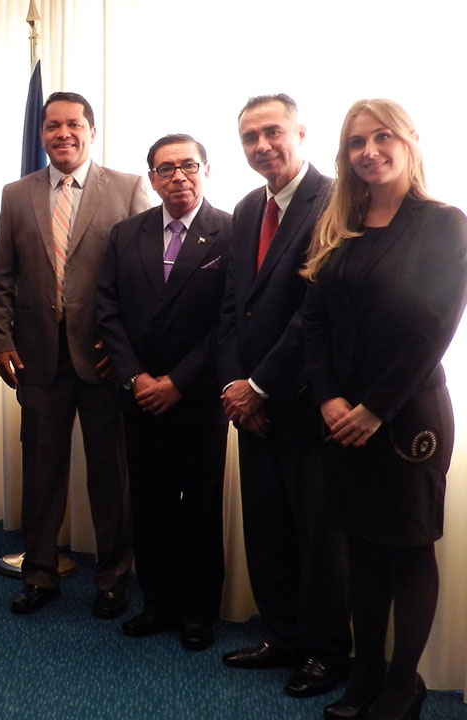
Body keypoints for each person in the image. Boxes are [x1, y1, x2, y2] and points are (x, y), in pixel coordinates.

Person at [301, 99, 467, 720]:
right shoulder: (341, 222)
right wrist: (329, 399)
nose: (368, 151)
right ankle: (365, 672)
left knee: (408, 548)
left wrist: (374, 407)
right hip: (340, 417)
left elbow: (434, 327)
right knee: (361, 549)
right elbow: (314, 321)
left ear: (409, 140)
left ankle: (404, 683)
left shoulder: (443, 223)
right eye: (355, 143)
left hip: (407, 418)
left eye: (381, 137)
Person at [0, 91, 150, 617]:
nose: (63, 133)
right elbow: (2, 279)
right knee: (40, 472)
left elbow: (144, 281)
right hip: (38, 360)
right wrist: (3, 341)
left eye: (73, 124)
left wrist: (126, 354)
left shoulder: (126, 189)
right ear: (41, 135)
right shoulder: (17, 194)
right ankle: (39, 574)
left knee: (112, 474)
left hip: (104, 360)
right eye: (53, 125)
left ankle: (112, 578)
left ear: (91, 130)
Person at [217, 94, 350, 697]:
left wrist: (261, 385)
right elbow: (231, 309)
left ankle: (326, 654)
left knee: (317, 534)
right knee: (266, 525)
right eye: (249, 137)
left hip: (303, 400)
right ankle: (283, 637)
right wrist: (233, 386)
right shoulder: (247, 209)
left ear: (301, 132)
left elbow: (313, 312)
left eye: (272, 132)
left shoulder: (333, 200)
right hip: (252, 408)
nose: (261, 145)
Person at [96, 134, 230, 651]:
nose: (178, 177)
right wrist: (137, 379)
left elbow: (228, 322)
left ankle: (199, 612)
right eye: (166, 168)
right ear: (150, 178)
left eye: (188, 166)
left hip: (197, 399)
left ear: (205, 170)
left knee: (199, 507)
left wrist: (178, 381)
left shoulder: (231, 233)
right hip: (140, 396)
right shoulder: (126, 233)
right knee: (148, 504)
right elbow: (107, 309)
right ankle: (157, 603)